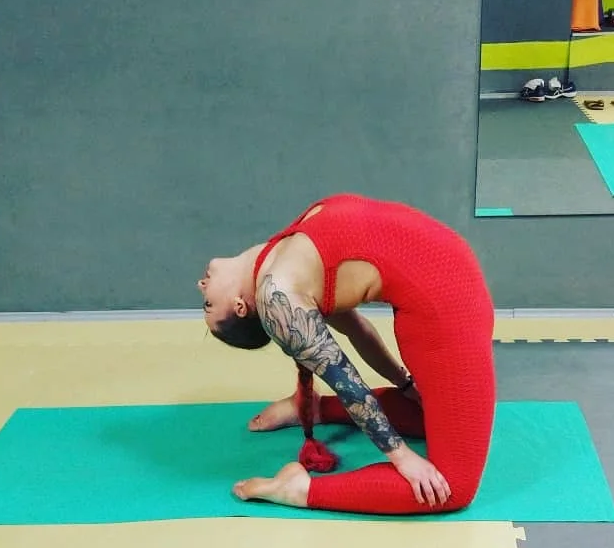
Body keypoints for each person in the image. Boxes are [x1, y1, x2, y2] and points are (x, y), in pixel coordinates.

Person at [197, 192, 496, 515]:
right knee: (454, 486)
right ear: (240, 307)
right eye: (209, 304)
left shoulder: (277, 258)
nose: (201, 285)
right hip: (447, 302)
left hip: (448, 290)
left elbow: (358, 332)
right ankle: (299, 489)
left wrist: (406, 384)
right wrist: (402, 457)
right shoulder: (277, 291)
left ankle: (316, 409)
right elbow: (348, 383)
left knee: (439, 421)